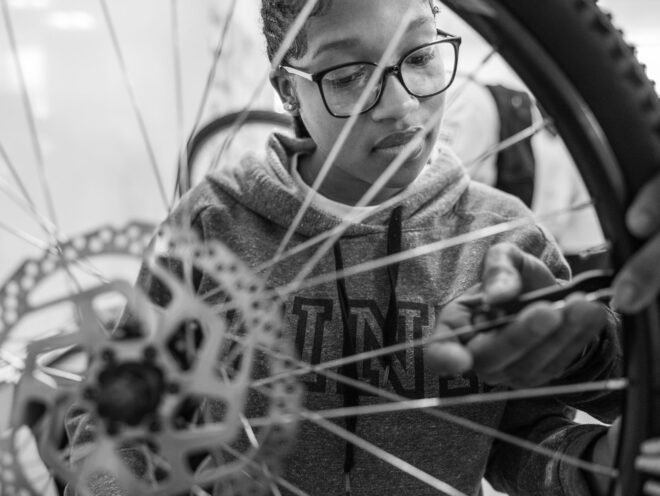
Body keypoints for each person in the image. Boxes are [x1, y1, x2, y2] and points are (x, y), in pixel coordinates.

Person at [68, 1, 623, 495]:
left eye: (422, 57)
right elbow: (127, 413)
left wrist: (590, 468)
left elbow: (520, 440)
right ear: (288, 89)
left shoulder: (505, 238)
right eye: (352, 74)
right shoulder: (213, 223)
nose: (400, 105)